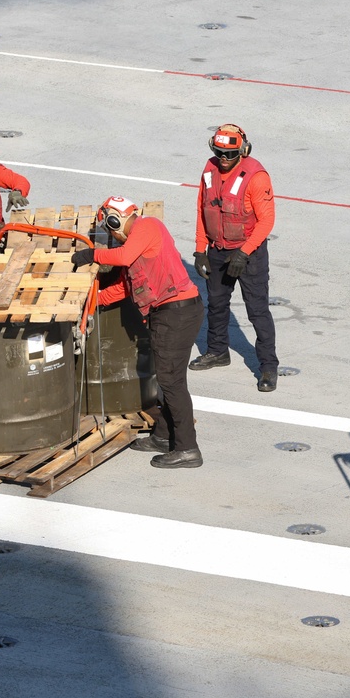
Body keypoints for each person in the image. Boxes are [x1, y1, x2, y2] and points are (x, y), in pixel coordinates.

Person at [71, 197, 205, 469]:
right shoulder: (137, 244)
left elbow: (121, 257)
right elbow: (123, 287)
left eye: (110, 229)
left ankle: (187, 448)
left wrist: (92, 254)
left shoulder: (147, 227)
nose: (112, 236)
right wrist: (89, 301)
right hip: (169, 314)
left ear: (114, 220)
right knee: (165, 379)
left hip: (176, 312)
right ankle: (164, 435)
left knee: (172, 382)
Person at [189, 123, 279, 392]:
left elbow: (267, 221)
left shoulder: (256, 177)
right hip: (218, 250)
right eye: (219, 153)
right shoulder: (209, 170)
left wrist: (244, 252)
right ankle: (218, 352)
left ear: (243, 150)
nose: (224, 159)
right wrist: (199, 250)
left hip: (248, 253)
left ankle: (268, 366)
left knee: (257, 310)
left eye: (230, 154)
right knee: (216, 304)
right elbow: (202, 210)